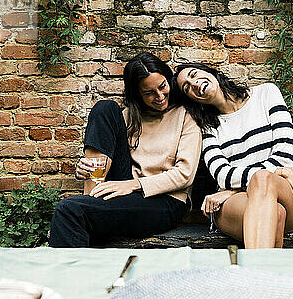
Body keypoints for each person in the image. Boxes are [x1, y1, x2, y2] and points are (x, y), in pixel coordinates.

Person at [49, 53, 202, 247]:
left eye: (162, 86)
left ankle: (87, 211)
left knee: (70, 210)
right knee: (104, 108)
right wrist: (85, 169)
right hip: (125, 191)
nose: (160, 96)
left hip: (165, 201)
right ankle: (92, 195)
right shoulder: (128, 116)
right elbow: (108, 152)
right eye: (149, 93)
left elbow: (185, 175)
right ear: (137, 93)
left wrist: (133, 185)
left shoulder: (187, 116)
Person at [173, 63, 293, 249]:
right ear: (191, 99)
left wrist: (234, 189)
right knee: (275, 213)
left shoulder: (266, 94)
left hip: (281, 194)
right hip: (234, 205)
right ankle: (263, 275)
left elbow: (283, 157)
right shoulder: (207, 127)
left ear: (209, 71)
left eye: (194, 74)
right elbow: (223, 175)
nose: (195, 83)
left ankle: (249, 276)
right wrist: (282, 172)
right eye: (187, 87)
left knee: (263, 180)